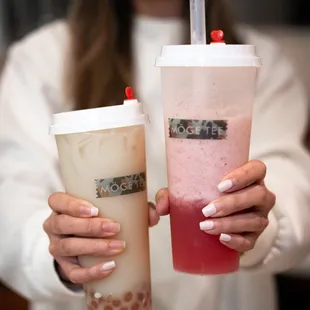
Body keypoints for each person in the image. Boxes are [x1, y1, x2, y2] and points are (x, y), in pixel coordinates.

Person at [0, 1, 310, 310]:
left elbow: (293, 186)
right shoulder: (42, 58)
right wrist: (57, 252)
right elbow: (12, 202)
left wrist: (260, 219)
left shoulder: (257, 61)